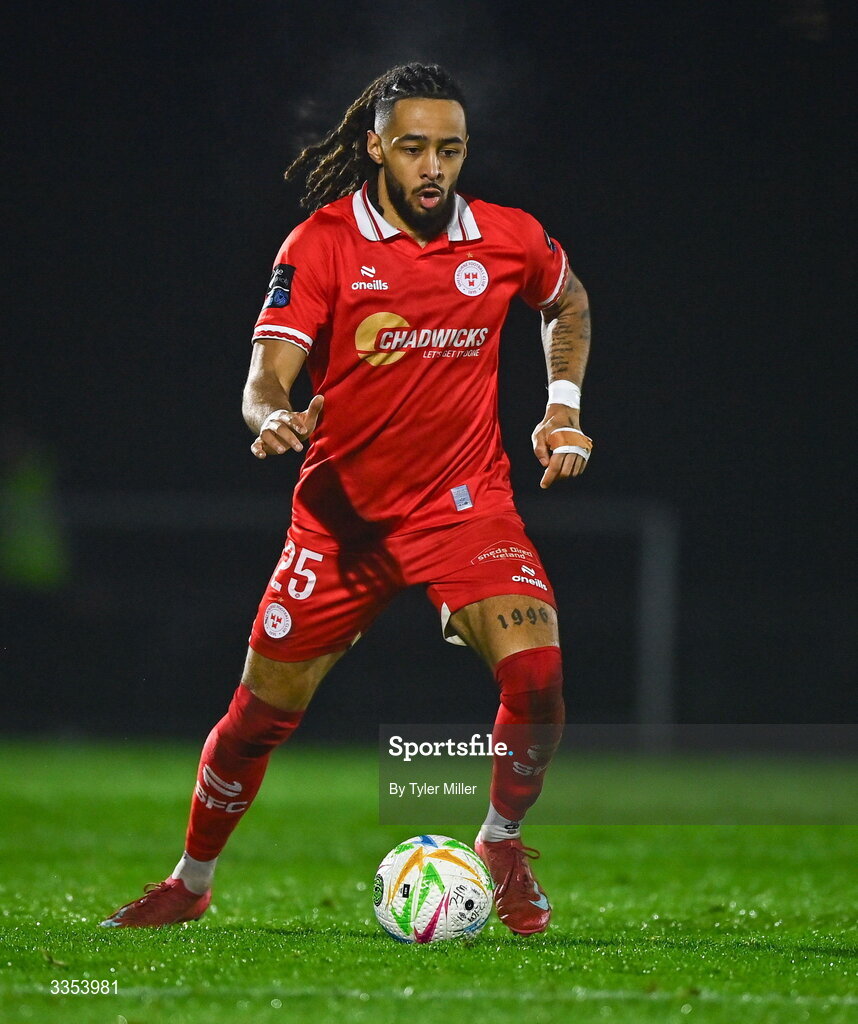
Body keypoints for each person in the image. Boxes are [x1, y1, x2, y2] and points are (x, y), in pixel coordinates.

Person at [101, 62, 592, 936]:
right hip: (342, 525)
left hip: (464, 508)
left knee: (540, 676)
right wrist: (272, 416)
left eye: (450, 149)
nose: (434, 168)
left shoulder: (507, 237)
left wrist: (561, 409)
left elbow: (566, 299)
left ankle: (503, 842)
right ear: (375, 147)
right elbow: (264, 378)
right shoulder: (321, 244)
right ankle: (191, 879)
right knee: (256, 721)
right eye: (413, 149)